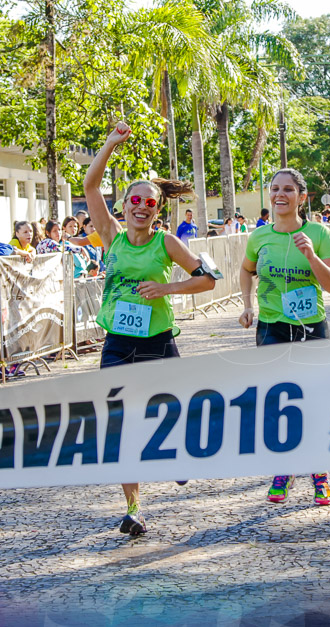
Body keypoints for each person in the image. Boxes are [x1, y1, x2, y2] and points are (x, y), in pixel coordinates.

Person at [85, 121, 217, 536]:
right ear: (124, 205)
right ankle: (134, 509)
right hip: (119, 344)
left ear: (159, 209)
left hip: (159, 342)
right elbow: (90, 187)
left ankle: (177, 452)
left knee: (172, 411)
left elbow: (208, 278)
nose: (142, 207)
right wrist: (110, 144)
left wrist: (167, 287)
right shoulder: (112, 236)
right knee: (121, 425)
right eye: (135, 200)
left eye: (151, 203)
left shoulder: (166, 243)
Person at [239, 168, 330, 507]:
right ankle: (283, 468)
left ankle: (320, 472)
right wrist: (246, 305)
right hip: (271, 326)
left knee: (312, 399)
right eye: (274, 189)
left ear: (302, 196)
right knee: (276, 399)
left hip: (311, 325)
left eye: (287, 189)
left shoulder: (319, 233)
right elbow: (245, 269)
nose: (279, 194)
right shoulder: (259, 237)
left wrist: (311, 255)